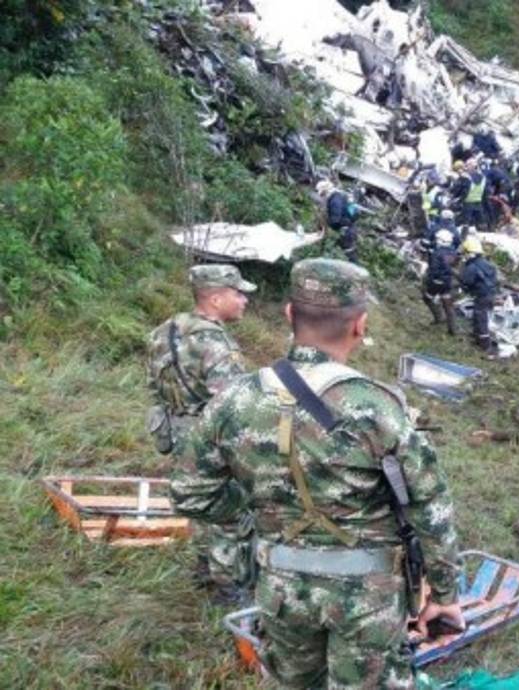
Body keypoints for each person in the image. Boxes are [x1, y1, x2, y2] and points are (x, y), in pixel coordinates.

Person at [171, 259, 463, 688]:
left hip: (281, 587)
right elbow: (431, 509)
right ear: (359, 326)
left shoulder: (233, 400)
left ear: (289, 314)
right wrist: (444, 594)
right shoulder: (378, 406)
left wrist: (254, 515)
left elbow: (188, 493)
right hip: (368, 594)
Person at [148, 264, 255, 595]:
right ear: (216, 298)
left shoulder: (164, 331)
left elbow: (154, 386)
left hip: (177, 432)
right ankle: (228, 588)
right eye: (238, 294)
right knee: (232, 513)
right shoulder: (215, 343)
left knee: (199, 504)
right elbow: (231, 404)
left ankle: (204, 571)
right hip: (210, 439)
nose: (244, 301)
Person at [459, 237, 499, 356]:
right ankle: (478, 338)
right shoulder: (488, 264)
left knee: (481, 317)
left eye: (465, 253)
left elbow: (467, 281)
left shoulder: (472, 267)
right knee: (479, 315)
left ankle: (485, 346)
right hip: (490, 294)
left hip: (482, 295)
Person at [421, 229, 458, 336]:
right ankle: (453, 329)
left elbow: (433, 269)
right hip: (447, 282)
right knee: (448, 304)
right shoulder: (453, 252)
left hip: (436, 282)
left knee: (427, 298)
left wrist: (429, 280)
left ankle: (438, 317)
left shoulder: (437, 253)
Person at [320, 180, 359, 263]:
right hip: (349, 229)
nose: (322, 197)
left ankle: (356, 273)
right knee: (348, 252)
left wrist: (326, 222)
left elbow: (335, 220)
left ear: (325, 192)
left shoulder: (335, 200)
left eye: (322, 194)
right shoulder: (338, 196)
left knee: (349, 254)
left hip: (346, 231)